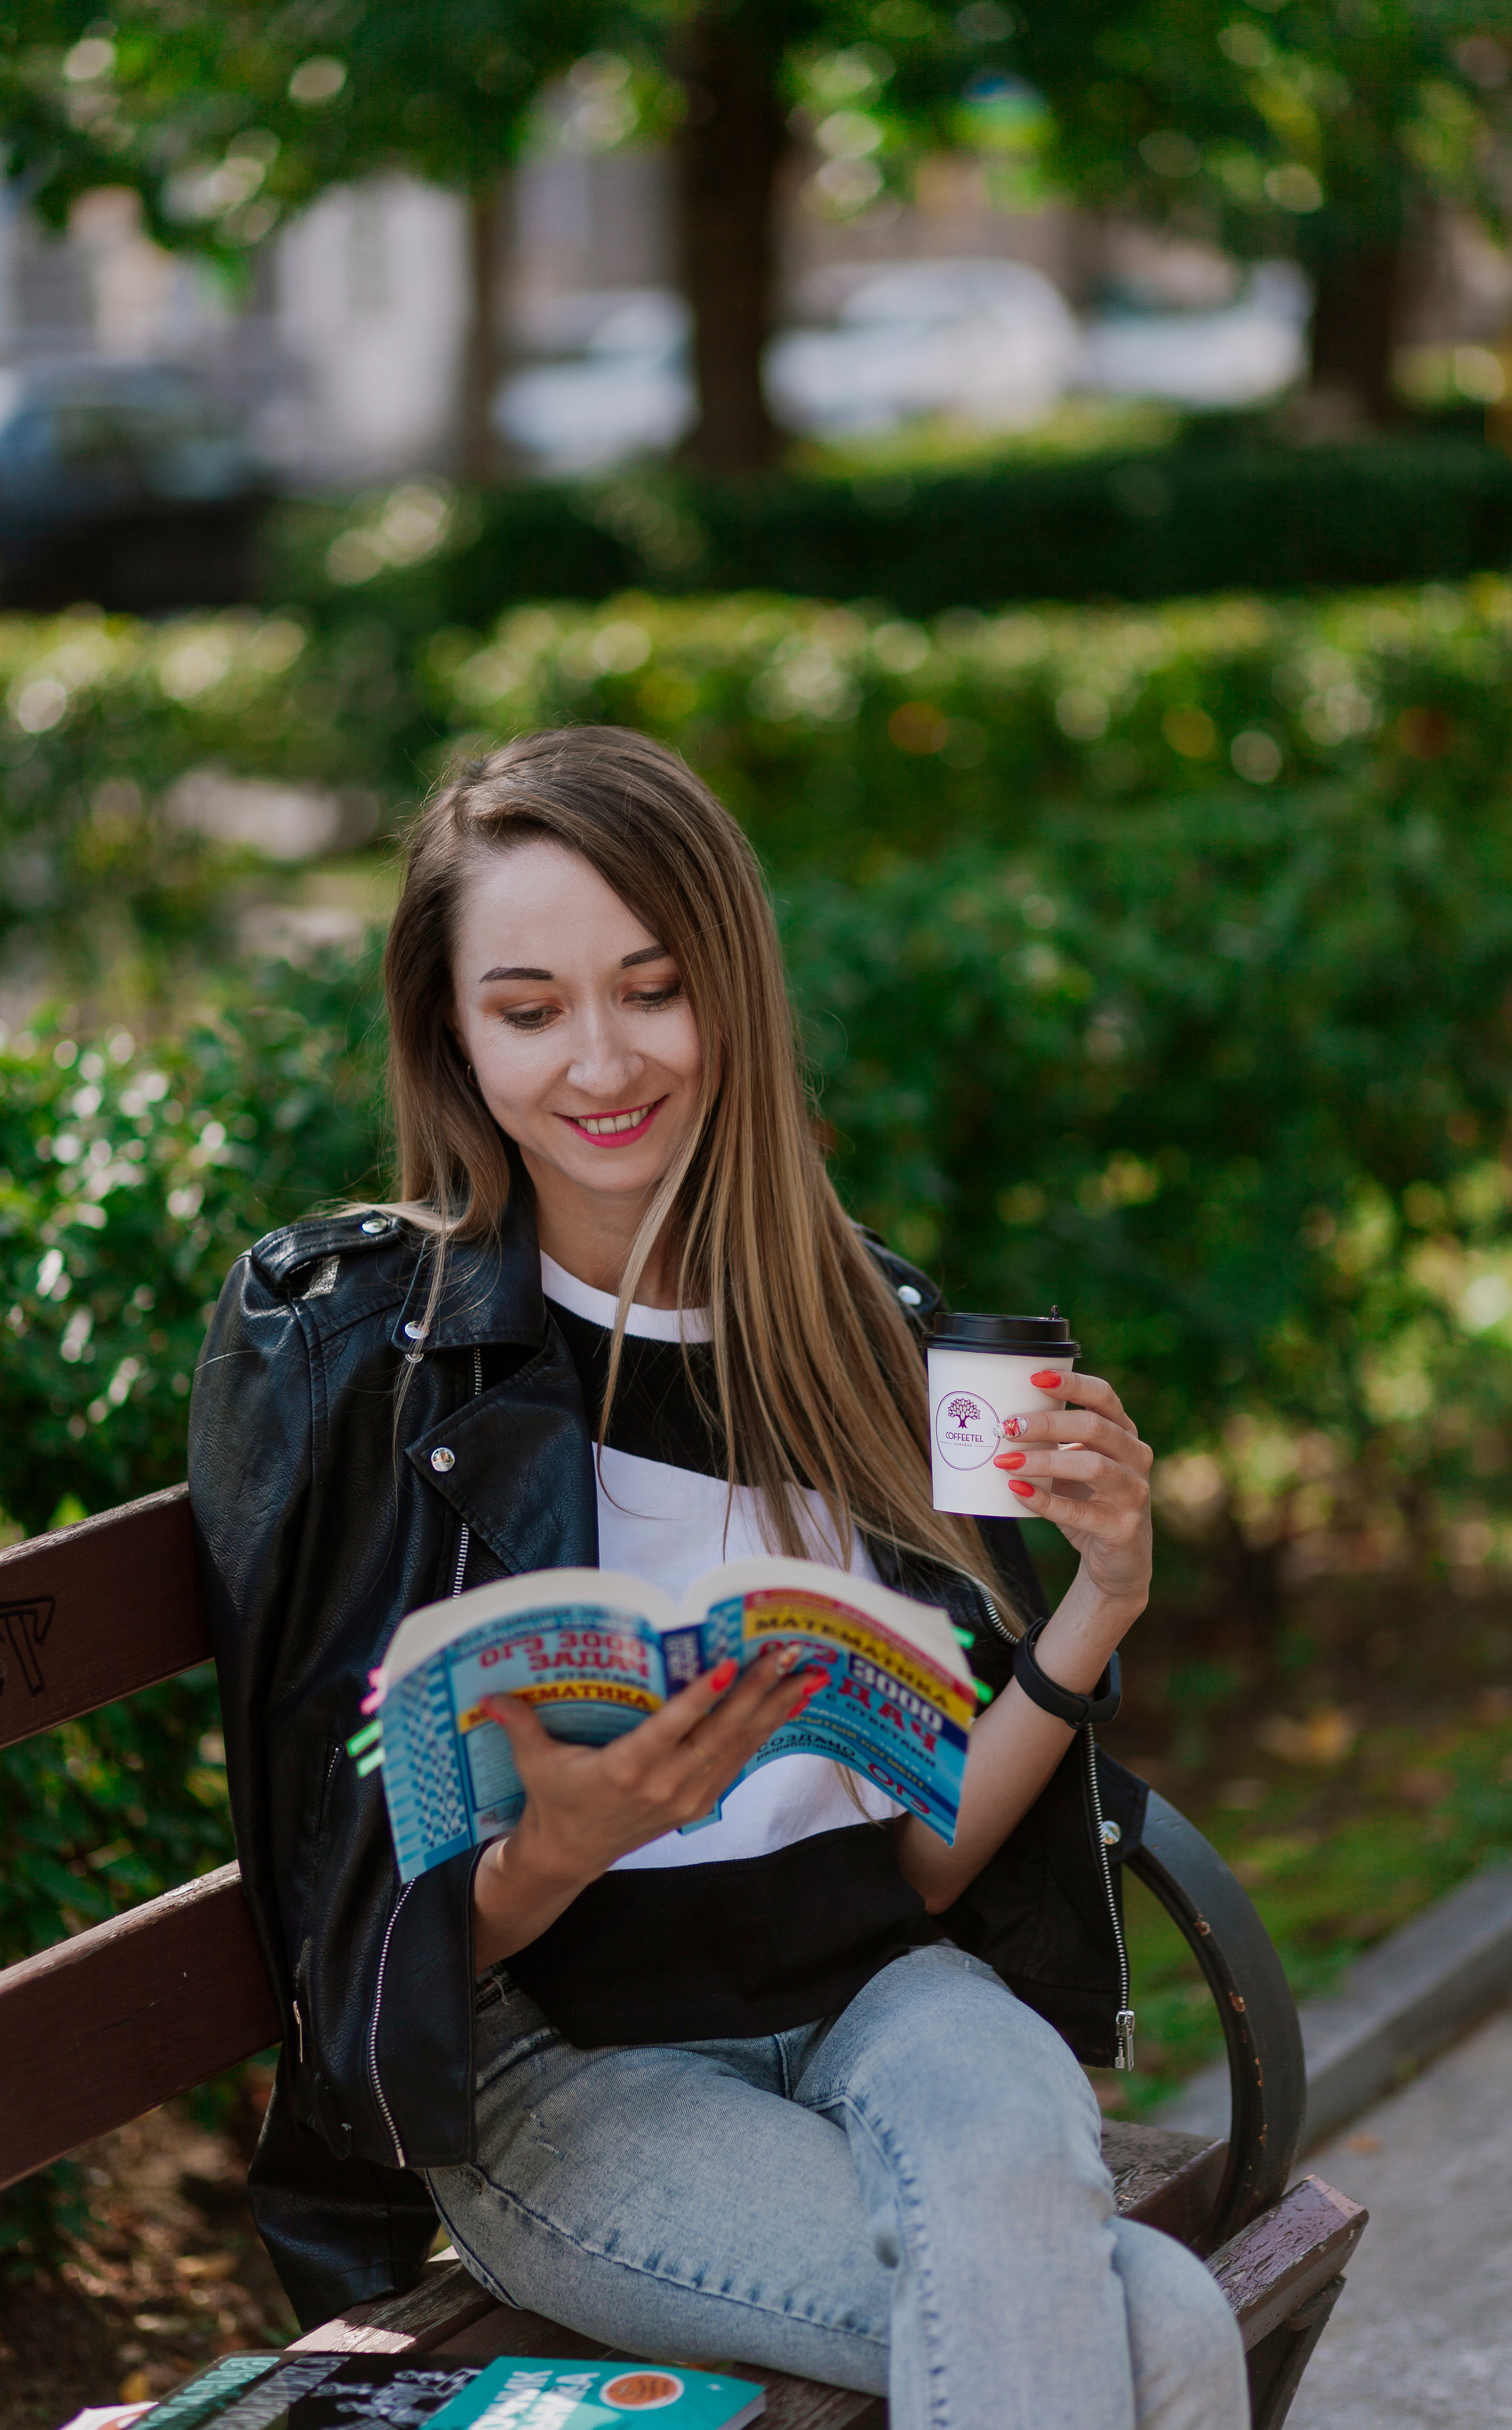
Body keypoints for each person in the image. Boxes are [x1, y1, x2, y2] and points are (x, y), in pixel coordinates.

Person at [189, 728, 1248, 2430]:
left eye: (653, 988)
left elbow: (918, 1864)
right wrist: (566, 1841)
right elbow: (354, 1936)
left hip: (886, 1999)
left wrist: (1102, 1596)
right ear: (454, 1035)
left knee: (1117, 2279)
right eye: (529, 1008)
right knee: (1166, 2327)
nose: (601, 1060)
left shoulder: (860, 1331)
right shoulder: (363, 1359)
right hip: (566, 2076)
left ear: (729, 994)